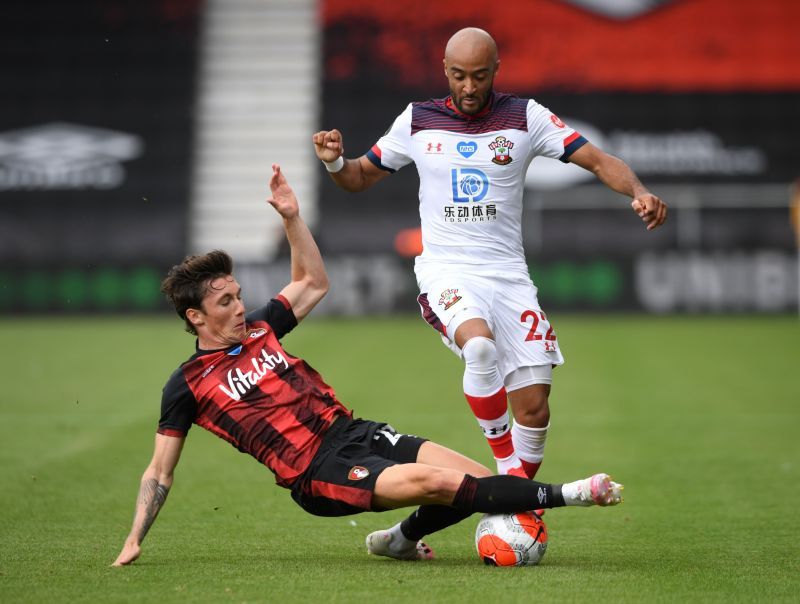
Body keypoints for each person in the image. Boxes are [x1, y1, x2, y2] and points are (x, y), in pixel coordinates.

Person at [112, 164, 623, 567]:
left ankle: (398, 540)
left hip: (357, 433)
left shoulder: (263, 327)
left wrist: (292, 217)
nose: (240, 307)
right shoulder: (187, 385)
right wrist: (135, 537)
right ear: (196, 316)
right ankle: (576, 493)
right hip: (318, 473)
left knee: (471, 478)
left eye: (239, 295)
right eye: (225, 303)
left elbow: (312, 283)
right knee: (439, 486)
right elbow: (159, 471)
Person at [312, 27, 667, 481]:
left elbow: (597, 160)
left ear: (496, 70)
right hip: (447, 270)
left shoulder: (526, 117)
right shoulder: (417, 120)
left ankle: (506, 503)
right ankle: (503, 468)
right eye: (458, 75)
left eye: (479, 76)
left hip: (508, 276)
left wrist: (638, 191)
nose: (468, 87)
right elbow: (360, 176)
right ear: (445, 70)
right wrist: (335, 162)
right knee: (479, 347)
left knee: (535, 410)